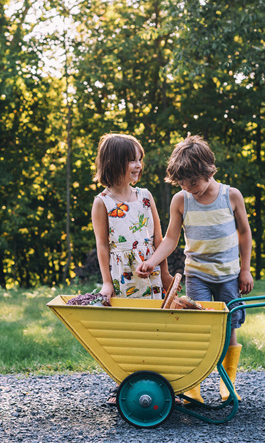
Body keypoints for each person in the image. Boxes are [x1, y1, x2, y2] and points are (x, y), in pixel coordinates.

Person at [137, 135, 253, 404]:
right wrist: (153, 261)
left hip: (228, 275)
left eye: (194, 183)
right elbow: (170, 239)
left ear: (208, 170)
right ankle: (193, 386)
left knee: (229, 327)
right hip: (197, 273)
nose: (190, 189)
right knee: (196, 329)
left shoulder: (231, 195)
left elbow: (245, 234)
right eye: (183, 184)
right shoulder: (181, 200)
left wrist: (245, 270)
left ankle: (228, 384)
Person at [90, 133, 174, 405]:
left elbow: (158, 238)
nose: (138, 165)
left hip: (150, 274)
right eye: (132, 160)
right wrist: (106, 283)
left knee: (156, 329)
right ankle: (124, 384)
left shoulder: (146, 196)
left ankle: (166, 385)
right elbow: (102, 245)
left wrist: (165, 273)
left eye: (140, 160)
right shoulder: (102, 202)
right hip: (123, 277)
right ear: (114, 162)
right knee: (129, 331)